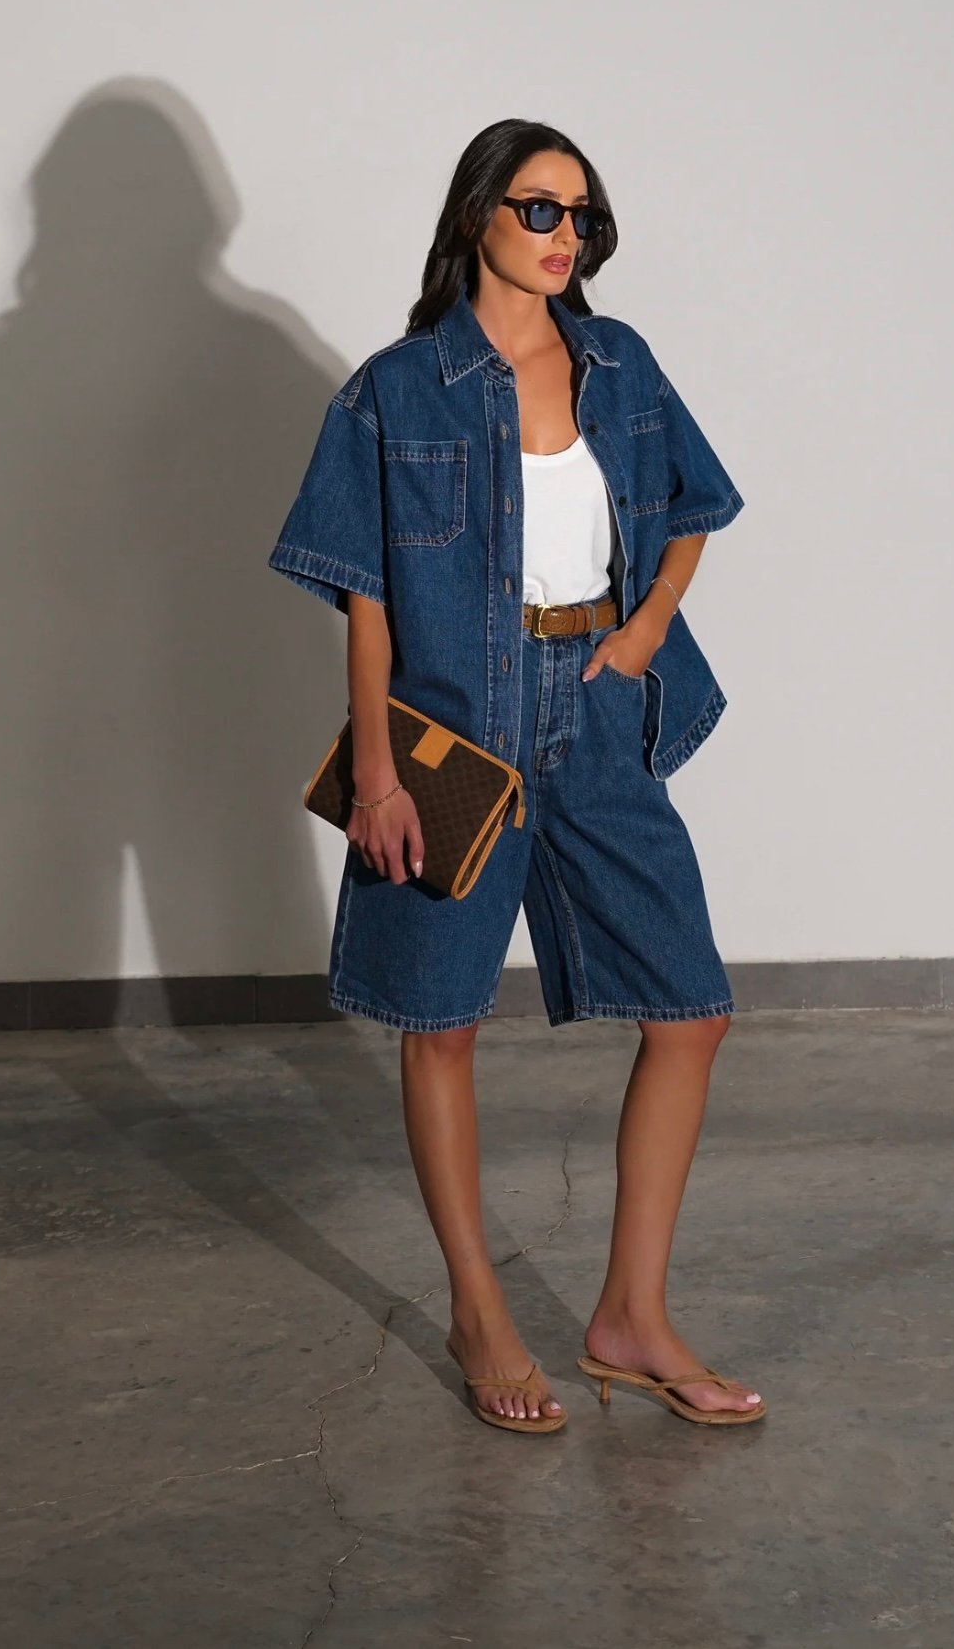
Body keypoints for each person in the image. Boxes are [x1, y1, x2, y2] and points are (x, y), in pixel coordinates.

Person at [268, 119, 763, 1433]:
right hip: (451, 729)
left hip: (595, 707)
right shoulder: (396, 389)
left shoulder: (619, 362)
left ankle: (631, 1315)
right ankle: (478, 1308)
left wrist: (644, 630)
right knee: (440, 1022)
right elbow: (365, 591)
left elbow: (693, 506)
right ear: (477, 213)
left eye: (580, 216)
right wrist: (376, 771)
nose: (564, 236)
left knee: (691, 1008)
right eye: (539, 208)